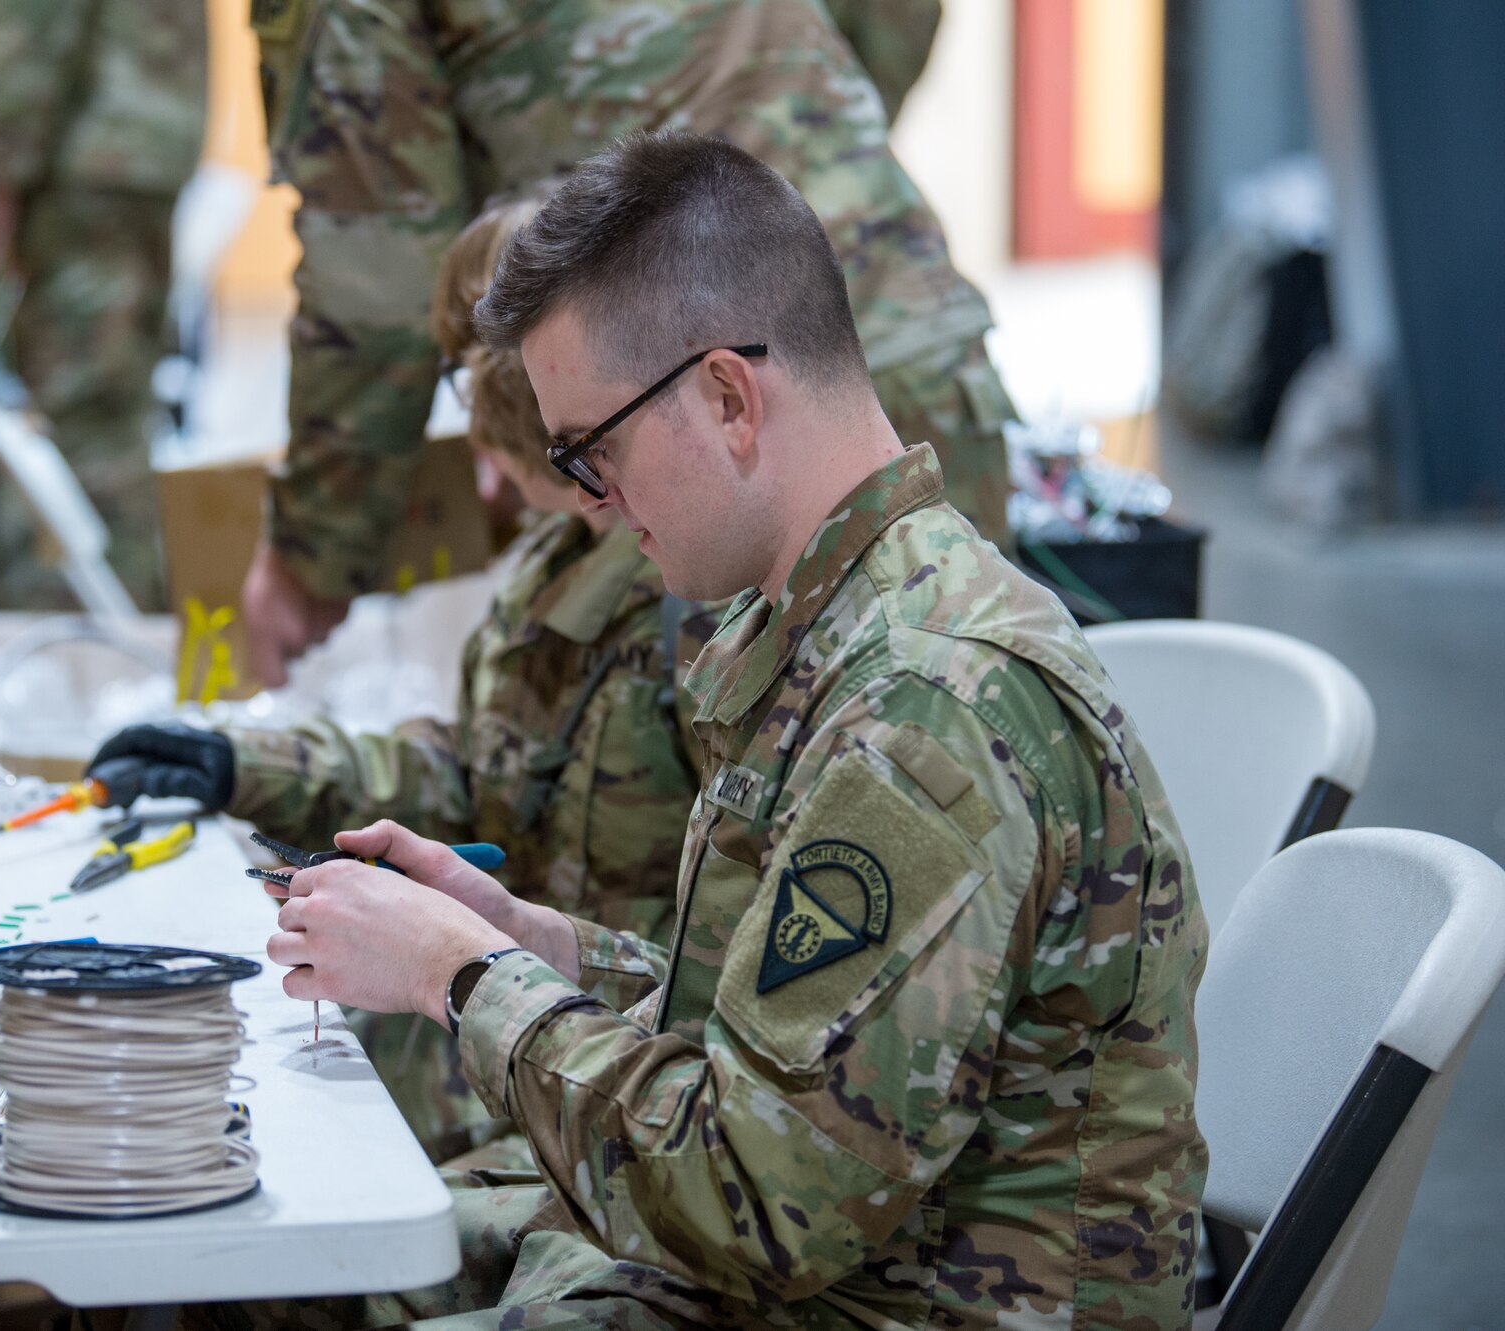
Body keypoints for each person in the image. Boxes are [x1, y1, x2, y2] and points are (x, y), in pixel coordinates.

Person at [186, 133, 1204, 1330]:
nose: (590, 499)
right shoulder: (830, 618)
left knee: (254, 1262)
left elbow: (754, 1202)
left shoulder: (922, 705)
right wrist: (528, 937)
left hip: (896, 1297)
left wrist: (462, 975)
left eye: (593, 450)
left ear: (726, 396)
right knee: (259, 1264)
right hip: (847, 1265)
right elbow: (766, 1040)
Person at [89, 198, 716, 1166]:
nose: (480, 478)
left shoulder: (694, 603)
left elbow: (699, 980)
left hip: (591, 1071)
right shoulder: (554, 567)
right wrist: (238, 762)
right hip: (509, 1021)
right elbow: (475, 767)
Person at [239, 0, 1017, 688]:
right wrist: (790, 175)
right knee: (966, 736)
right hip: (890, 318)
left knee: (731, 805)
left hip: (678, 400)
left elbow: (374, 280)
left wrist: (316, 554)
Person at [0, 0, 206, 609]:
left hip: (67, 165)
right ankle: (111, 650)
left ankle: (74, 659)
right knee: (98, 423)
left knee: (67, 436)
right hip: (112, 142)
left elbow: (15, 25)